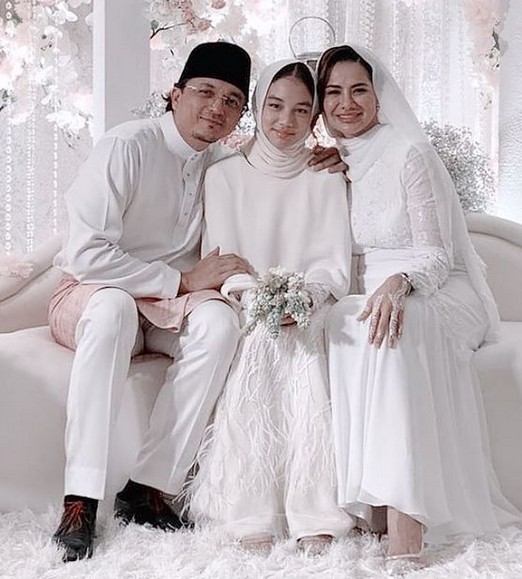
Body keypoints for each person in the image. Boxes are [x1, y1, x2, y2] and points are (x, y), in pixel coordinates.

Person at [316, 45, 522, 572]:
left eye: (359, 90)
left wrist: (403, 282)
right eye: (333, 92)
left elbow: (438, 253)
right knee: (341, 321)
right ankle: (369, 508)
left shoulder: (410, 153)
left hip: (436, 285)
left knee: (394, 330)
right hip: (369, 289)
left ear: (378, 94)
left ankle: (406, 530)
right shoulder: (334, 163)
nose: (346, 103)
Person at [48, 41, 254, 563]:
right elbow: (86, 254)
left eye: (232, 100)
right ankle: (81, 500)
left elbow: (280, 165)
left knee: (220, 323)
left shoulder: (226, 166)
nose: (217, 107)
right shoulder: (128, 145)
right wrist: (181, 280)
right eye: (206, 91)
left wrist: (328, 158)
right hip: (89, 295)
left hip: (162, 307)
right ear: (175, 93)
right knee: (114, 307)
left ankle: (149, 487)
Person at [188, 59, 354, 554]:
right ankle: (249, 508)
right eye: (276, 106)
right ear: (258, 107)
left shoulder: (327, 177)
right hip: (247, 303)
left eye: (301, 110)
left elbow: (332, 263)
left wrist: (305, 298)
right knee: (263, 338)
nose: (286, 120)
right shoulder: (223, 176)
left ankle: (314, 509)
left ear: (314, 117)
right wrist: (259, 299)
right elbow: (223, 260)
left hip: (310, 305)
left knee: (301, 343)